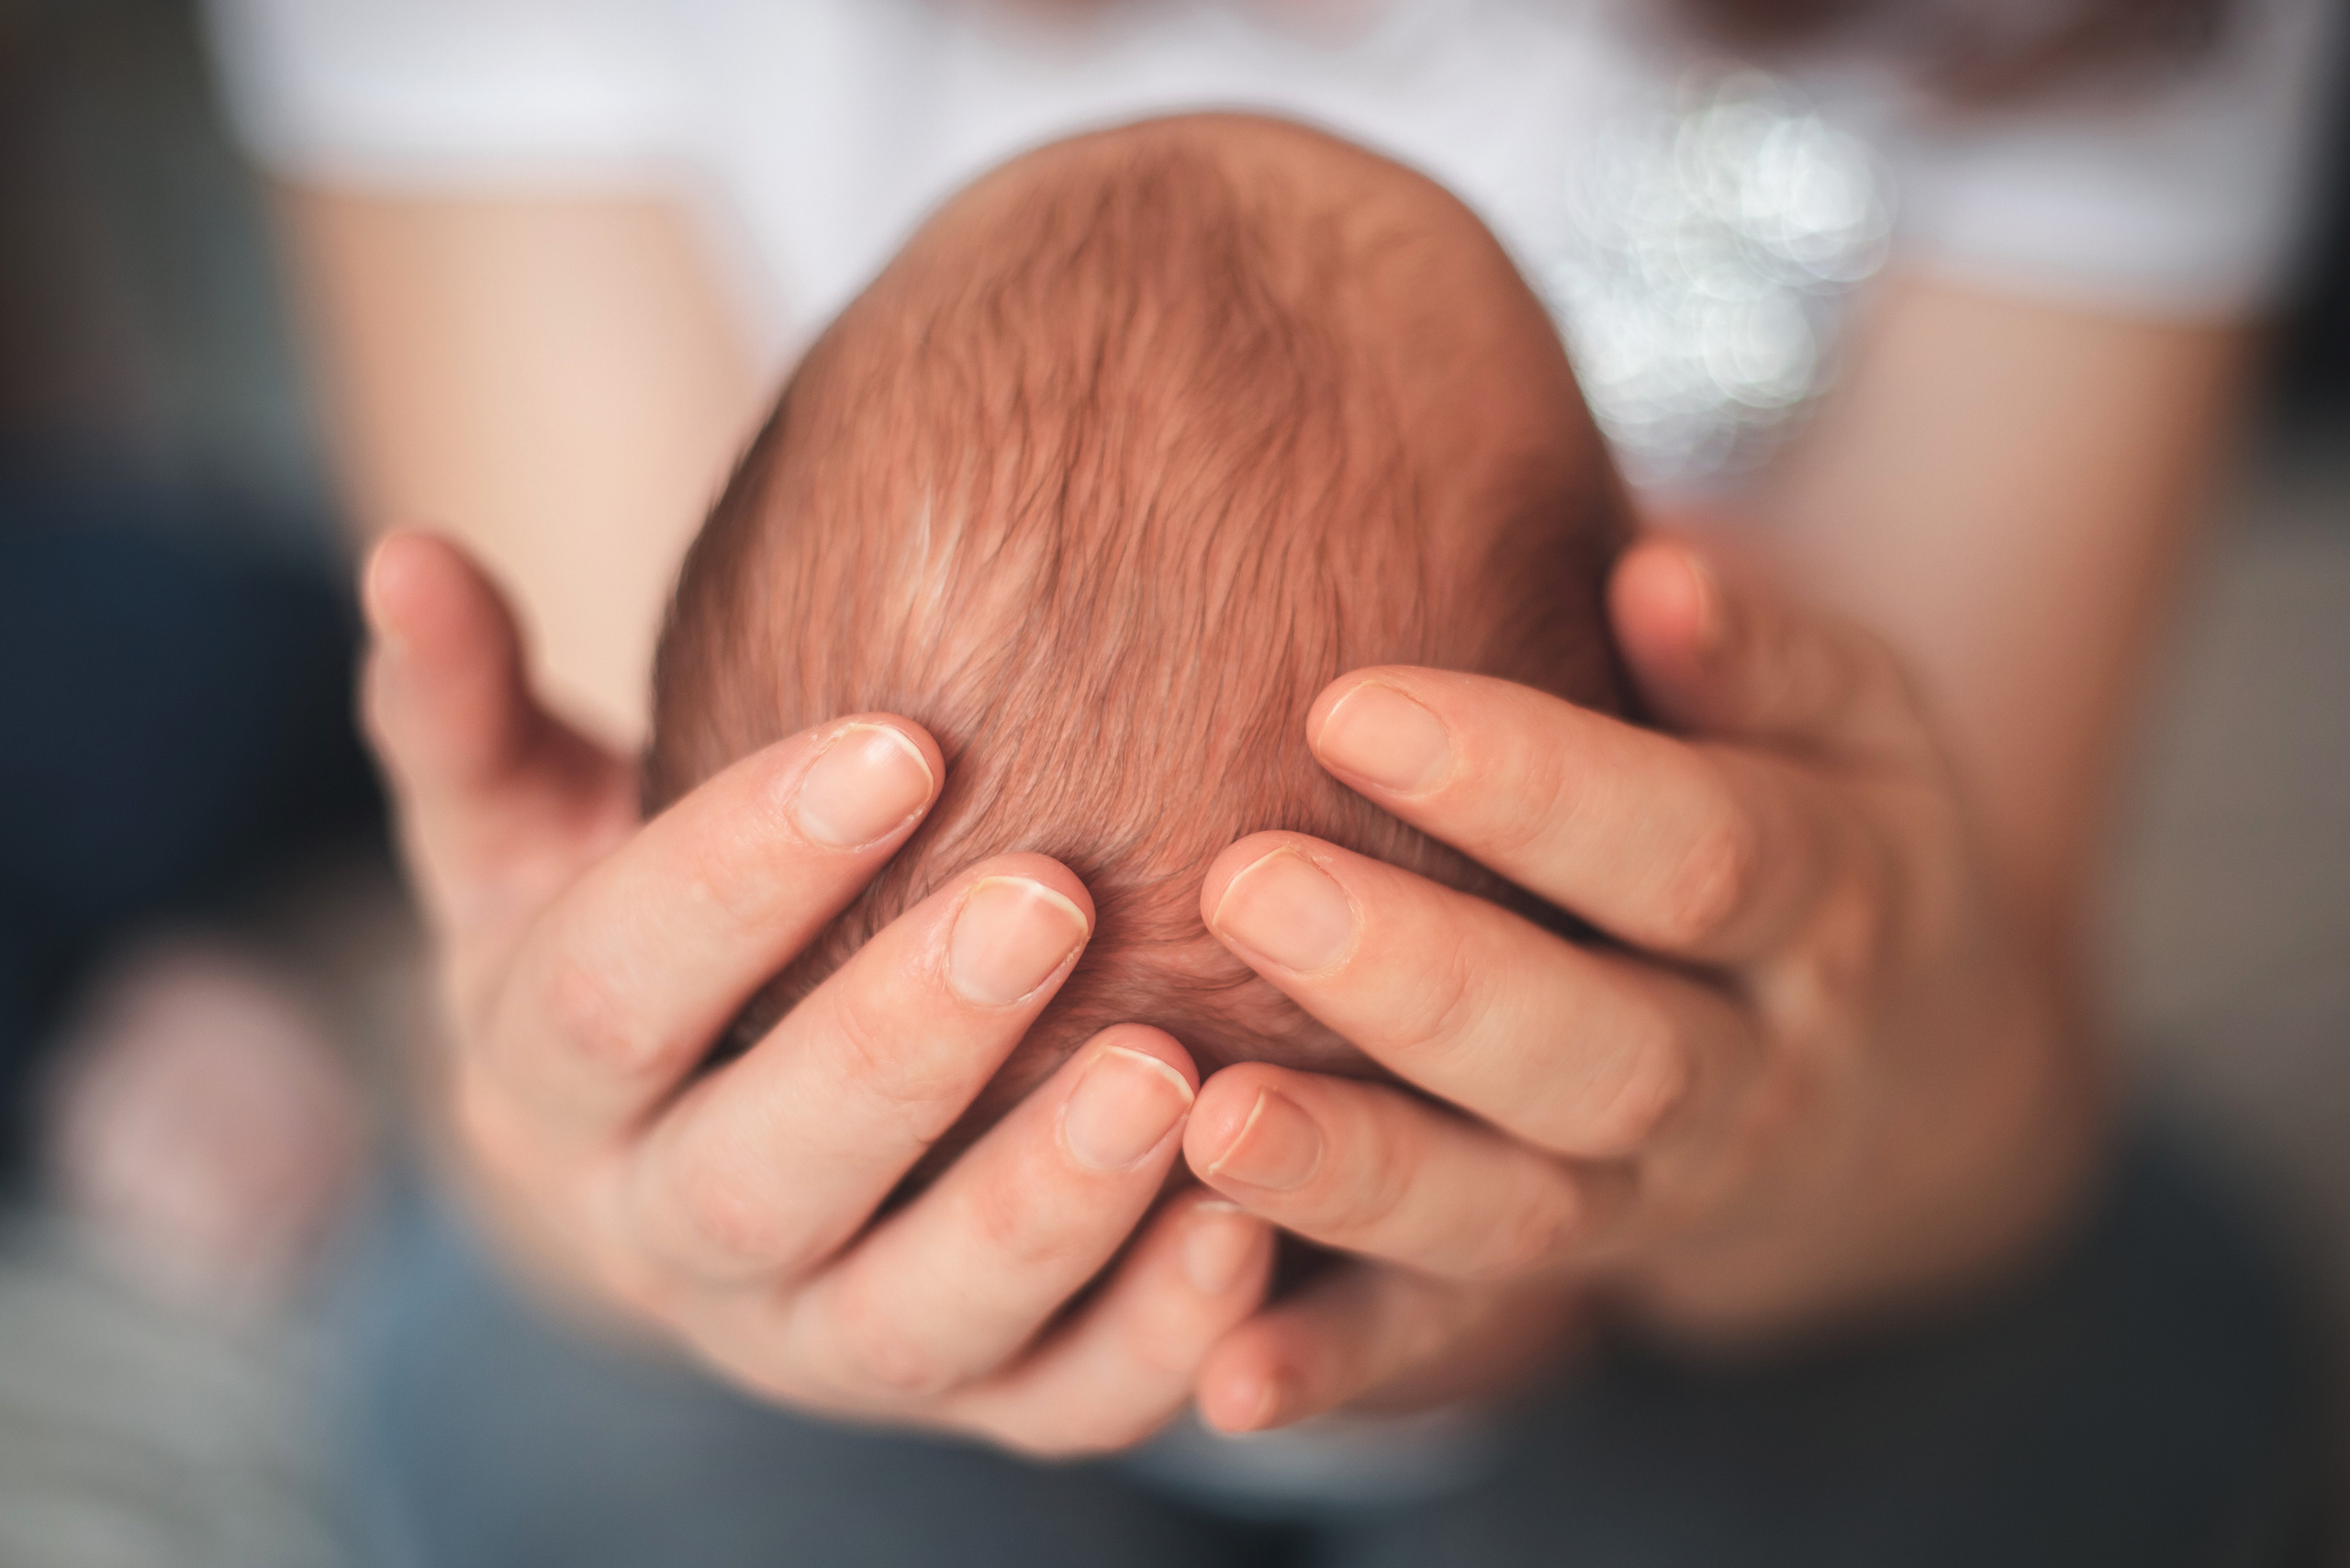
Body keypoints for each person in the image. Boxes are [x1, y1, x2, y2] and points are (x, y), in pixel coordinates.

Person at [204, 0, 2335, 1561]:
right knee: (570, 1379)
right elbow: (651, 951)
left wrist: (1863, 1115)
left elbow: (1972, 1056)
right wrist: (599, 1153)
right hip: (812, 1318)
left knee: (2010, 1346)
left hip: (1735, 1246)